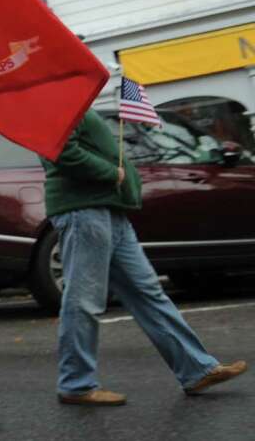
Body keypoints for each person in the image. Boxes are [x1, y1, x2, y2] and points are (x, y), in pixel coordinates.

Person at [45, 108, 247, 405]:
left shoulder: (75, 100)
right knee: (83, 299)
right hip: (85, 210)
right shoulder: (55, 104)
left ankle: (196, 369)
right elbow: (62, 152)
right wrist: (112, 172)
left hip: (108, 209)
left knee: (147, 291)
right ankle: (76, 384)